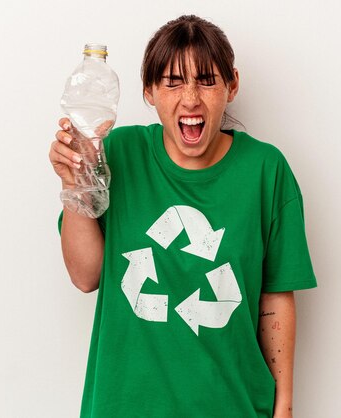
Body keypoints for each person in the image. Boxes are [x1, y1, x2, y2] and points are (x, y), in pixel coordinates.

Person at [49, 15, 317, 418]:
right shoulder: (117, 154)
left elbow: (275, 296)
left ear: (232, 85)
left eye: (207, 80)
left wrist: (284, 407)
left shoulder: (265, 170)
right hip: (123, 406)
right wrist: (75, 186)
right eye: (172, 81)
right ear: (149, 91)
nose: (190, 98)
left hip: (232, 406)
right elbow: (86, 276)